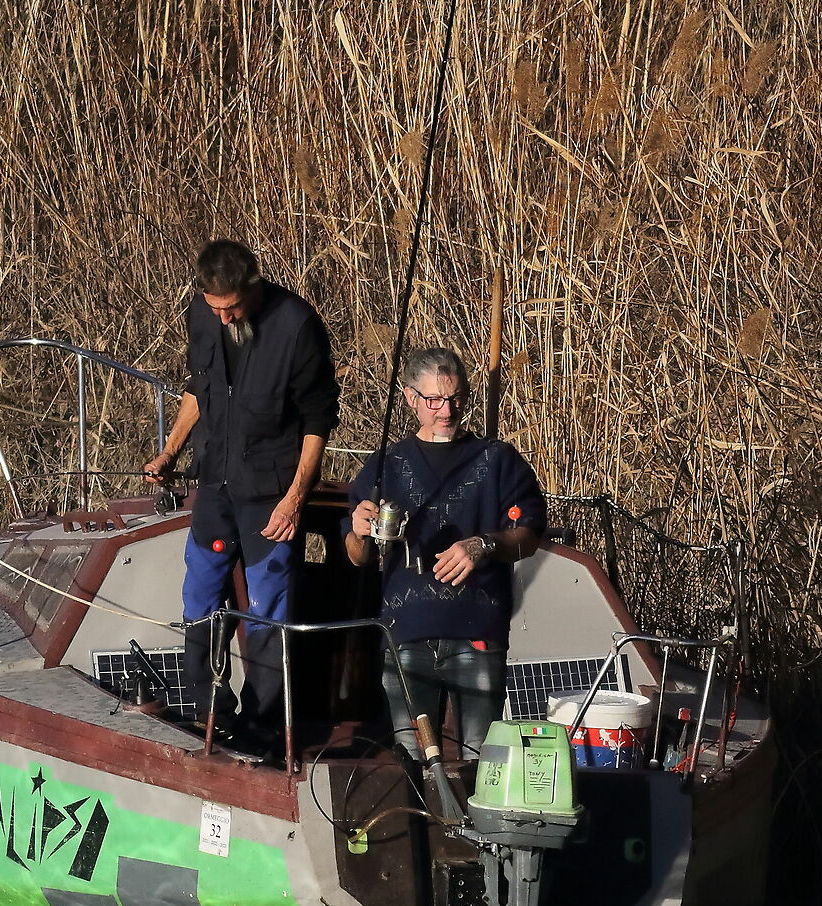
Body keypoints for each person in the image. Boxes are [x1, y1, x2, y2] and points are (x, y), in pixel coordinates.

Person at [144, 239, 339, 752]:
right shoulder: (202, 316)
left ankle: (261, 723)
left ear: (252, 287)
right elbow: (197, 390)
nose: (225, 318)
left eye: (232, 307)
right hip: (216, 482)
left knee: (268, 606)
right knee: (199, 593)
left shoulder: (297, 326)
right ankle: (210, 709)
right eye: (215, 308)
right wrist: (169, 452)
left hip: (271, 491)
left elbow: (318, 420)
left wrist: (297, 497)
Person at [345, 347, 545, 762]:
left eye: (455, 398)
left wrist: (484, 544)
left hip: (478, 636)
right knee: (410, 765)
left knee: (482, 763)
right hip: (404, 636)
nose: (446, 410)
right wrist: (360, 530)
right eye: (434, 400)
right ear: (409, 398)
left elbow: (529, 535)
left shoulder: (499, 460)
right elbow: (355, 557)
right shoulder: (386, 464)